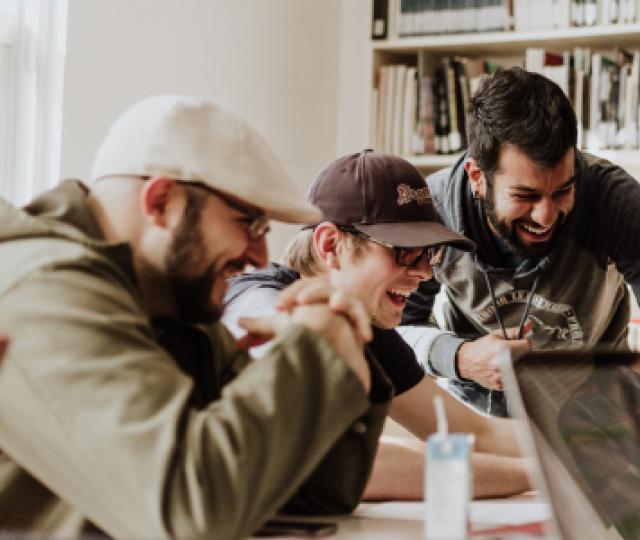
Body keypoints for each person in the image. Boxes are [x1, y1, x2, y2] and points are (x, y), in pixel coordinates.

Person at [0, 96, 393, 539]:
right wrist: (315, 350)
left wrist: (339, 347)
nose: (261, 256)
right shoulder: (48, 290)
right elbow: (191, 512)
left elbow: (311, 493)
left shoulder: (173, 304)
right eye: (249, 223)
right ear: (161, 201)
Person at [224, 149, 531, 500]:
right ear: (330, 246)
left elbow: (472, 433)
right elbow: (341, 462)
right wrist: (541, 476)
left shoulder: (368, 329)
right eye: (405, 252)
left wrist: (584, 449)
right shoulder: (256, 302)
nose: (425, 273)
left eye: (429, 254)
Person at [399, 66, 640, 416]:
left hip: (595, 413)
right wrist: (459, 358)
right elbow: (398, 327)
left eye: (563, 190)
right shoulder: (433, 212)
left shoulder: (614, 199)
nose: (546, 216)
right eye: (525, 195)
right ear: (477, 177)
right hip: (475, 411)